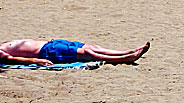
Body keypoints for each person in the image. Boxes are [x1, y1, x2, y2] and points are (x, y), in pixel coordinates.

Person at [0, 39, 150, 66]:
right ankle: (125, 58)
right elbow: (10, 59)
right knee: (88, 53)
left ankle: (126, 52)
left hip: (51, 43)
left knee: (92, 46)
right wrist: (34, 61)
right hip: (47, 51)